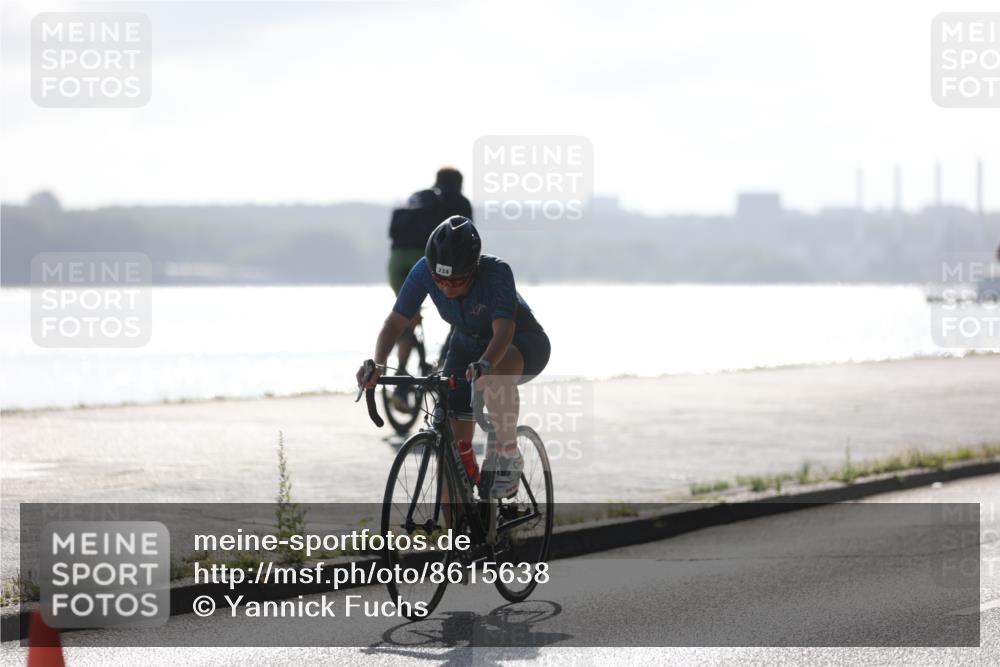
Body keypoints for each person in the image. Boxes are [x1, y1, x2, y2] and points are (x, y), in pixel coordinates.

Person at [359, 216, 550, 498]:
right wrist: (377, 363)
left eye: (458, 281)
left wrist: (486, 364)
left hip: (518, 342)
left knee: (495, 377)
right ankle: (462, 535)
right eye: (440, 280)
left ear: (474, 269)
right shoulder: (424, 270)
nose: (447, 288)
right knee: (451, 457)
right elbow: (395, 323)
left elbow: (503, 330)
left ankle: (508, 454)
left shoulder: (496, 272)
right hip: (466, 344)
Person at [387, 168, 472, 386]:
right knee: (459, 312)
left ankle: (401, 378)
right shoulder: (459, 202)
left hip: (396, 261)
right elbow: (468, 243)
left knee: (406, 316)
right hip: (428, 259)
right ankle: (445, 362)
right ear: (459, 184)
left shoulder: (419, 196)